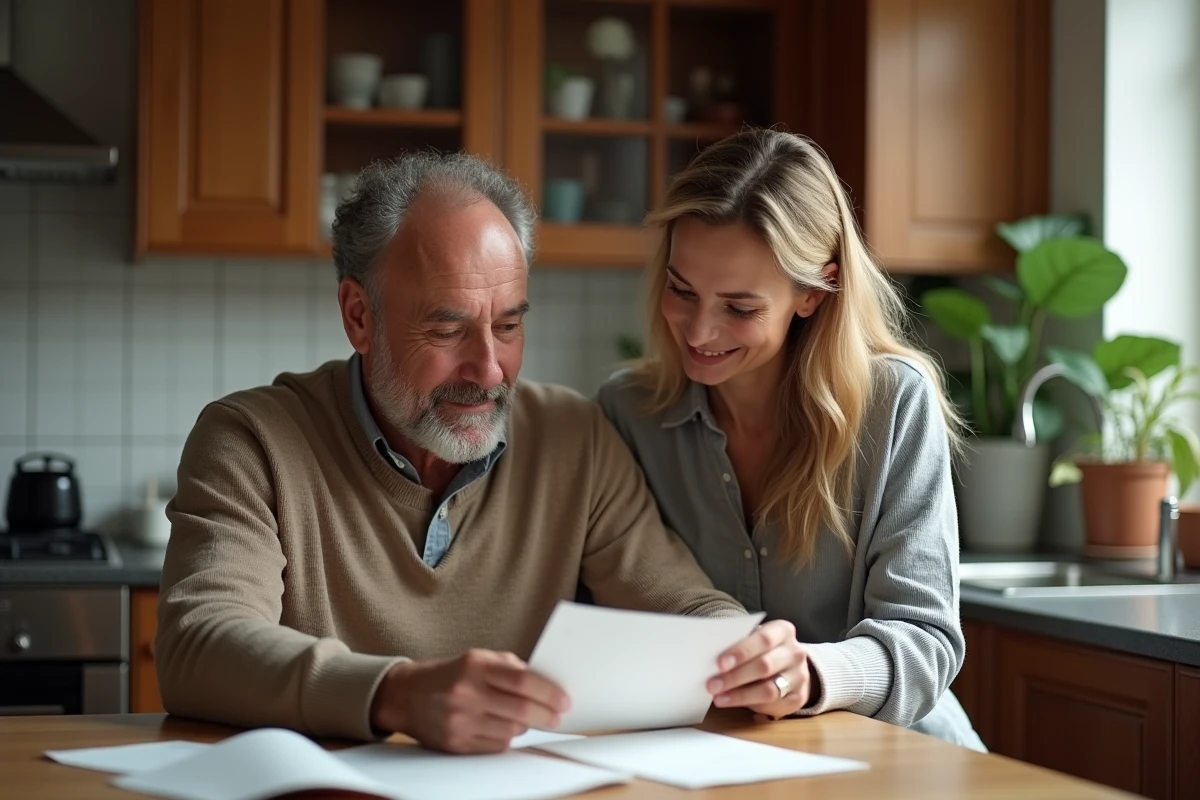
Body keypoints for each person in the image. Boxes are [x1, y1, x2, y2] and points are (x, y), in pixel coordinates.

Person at [155, 151, 803, 754]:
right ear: (359, 316)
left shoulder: (573, 437)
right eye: (447, 328)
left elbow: (677, 600)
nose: (490, 370)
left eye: (510, 326)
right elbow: (198, 646)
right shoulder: (251, 441)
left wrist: (744, 646)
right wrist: (396, 695)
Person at [596, 129, 985, 750]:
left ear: (812, 291)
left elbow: (926, 643)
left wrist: (809, 675)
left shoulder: (892, 403)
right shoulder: (628, 412)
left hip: (902, 761)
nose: (699, 330)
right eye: (682, 290)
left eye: (740, 307)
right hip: (715, 761)